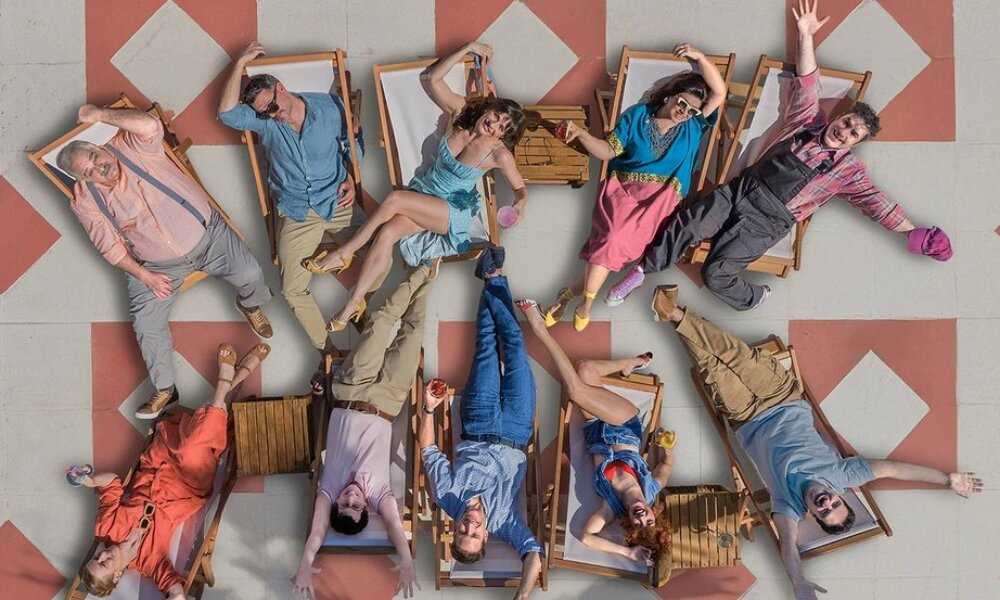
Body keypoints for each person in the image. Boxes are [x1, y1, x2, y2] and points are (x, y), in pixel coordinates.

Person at [607, 0, 953, 312]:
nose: (844, 131)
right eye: (847, 123)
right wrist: (805, 35)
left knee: (716, 274)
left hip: (767, 223)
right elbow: (808, 81)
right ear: (839, 118)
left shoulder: (849, 171)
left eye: (853, 134)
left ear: (856, 143)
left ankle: (754, 298)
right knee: (689, 223)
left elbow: (880, 205)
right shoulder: (808, 120)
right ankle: (639, 273)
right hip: (740, 190)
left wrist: (917, 234)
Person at [650, 283, 983, 600]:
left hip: (746, 416)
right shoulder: (843, 476)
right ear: (841, 496)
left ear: (812, 514)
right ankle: (673, 313)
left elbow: (788, 547)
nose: (827, 503)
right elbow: (895, 469)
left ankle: (673, 313)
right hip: (781, 395)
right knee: (734, 356)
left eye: (824, 512)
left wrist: (798, 582)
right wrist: (946, 479)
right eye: (836, 504)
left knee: (711, 366)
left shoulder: (788, 505)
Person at [56, 105, 273, 419]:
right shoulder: (85, 200)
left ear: (97, 146)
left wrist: (100, 115)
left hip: (208, 235)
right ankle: (166, 389)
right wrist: (144, 275)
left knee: (251, 273)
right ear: (82, 179)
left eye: (94, 157)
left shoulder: (130, 147)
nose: (99, 168)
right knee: (145, 321)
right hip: (156, 265)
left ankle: (250, 304)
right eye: (89, 171)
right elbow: (110, 247)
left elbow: (149, 125)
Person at [302, 41, 529, 332]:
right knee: (387, 234)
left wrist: (519, 205)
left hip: (453, 212)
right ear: (490, 108)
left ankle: (344, 253)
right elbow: (431, 79)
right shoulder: (460, 113)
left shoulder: (498, 154)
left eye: (501, 128)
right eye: (496, 116)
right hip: (425, 196)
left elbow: (521, 190)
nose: (494, 125)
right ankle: (352, 306)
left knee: (396, 199)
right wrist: (468, 47)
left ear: (503, 136)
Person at [545, 43, 726, 331]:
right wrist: (579, 133)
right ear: (670, 95)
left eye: (692, 110)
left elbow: (719, 92)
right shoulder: (637, 115)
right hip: (623, 192)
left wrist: (701, 57)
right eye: (682, 103)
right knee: (612, 241)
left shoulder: (694, 127)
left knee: (610, 246)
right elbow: (607, 151)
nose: (684, 112)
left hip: (661, 202)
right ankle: (584, 305)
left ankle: (567, 299)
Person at [218, 41, 386, 354]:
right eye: (265, 112)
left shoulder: (330, 108)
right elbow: (226, 113)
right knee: (292, 290)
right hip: (297, 211)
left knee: (383, 253)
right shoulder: (267, 123)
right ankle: (327, 351)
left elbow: (354, 145)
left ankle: (355, 305)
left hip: (336, 201)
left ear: (281, 88)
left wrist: (351, 176)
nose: (274, 114)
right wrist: (238, 63)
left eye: (273, 105)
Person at [74, 342, 271, 599]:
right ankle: (226, 383)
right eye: (104, 564)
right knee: (192, 447)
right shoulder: (149, 563)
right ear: (118, 575)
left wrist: (91, 481)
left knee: (194, 443)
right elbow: (171, 585)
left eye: (96, 558)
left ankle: (232, 381)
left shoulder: (105, 528)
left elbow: (111, 483)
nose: (101, 555)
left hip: (159, 459)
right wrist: (177, 597)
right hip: (188, 486)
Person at [292, 265, 433, 600]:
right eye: (356, 505)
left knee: (382, 321)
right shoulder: (380, 495)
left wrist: (305, 564)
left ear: (337, 503)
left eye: (344, 503)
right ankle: (427, 272)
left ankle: (422, 269)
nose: (350, 497)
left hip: (351, 391)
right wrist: (407, 562)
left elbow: (316, 533)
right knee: (413, 332)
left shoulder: (329, 489)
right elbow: (396, 527)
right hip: (388, 400)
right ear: (365, 509)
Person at [418, 248, 543, 600]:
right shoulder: (504, 523)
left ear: (455, 529)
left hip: (479, 418)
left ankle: (493, 276)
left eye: (461, 533)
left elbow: (428, 450)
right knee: (515, 346)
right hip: (517, 428)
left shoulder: (447, 496)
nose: (469, 527)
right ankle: (491, 277)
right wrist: (521, 596)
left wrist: (428, 410)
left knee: (486, 345)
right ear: (486, 536)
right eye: (474, 535)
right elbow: (533, 554)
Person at [518, 298, 675, 561]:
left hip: (595, 429)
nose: (641, 517)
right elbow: (667, 464)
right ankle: (539, 329)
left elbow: (586, 537)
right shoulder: (650, 487)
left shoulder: (610, 508)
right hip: (623, 424)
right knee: (576, 391)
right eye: (649, 520)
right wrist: (666, 446)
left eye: (638, 525)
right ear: (655, 514)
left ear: (629, 524)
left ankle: (630, 363)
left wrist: (628, 552)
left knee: (585, 368)